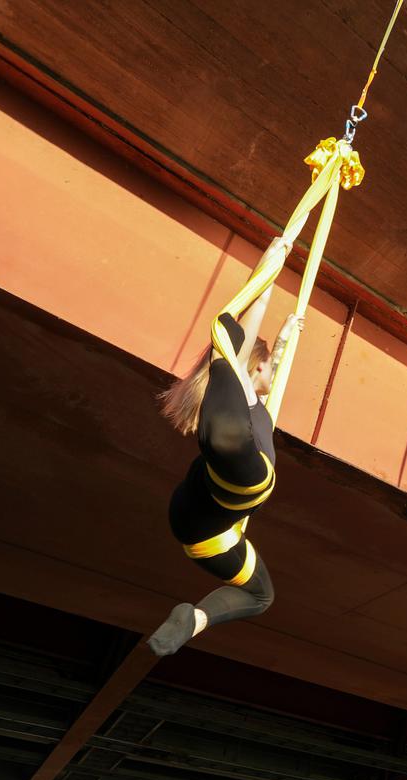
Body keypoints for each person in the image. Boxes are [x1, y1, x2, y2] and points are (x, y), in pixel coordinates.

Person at [148, 255, 286, 658]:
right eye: (271, 366)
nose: (274, 372)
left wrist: (275, 259)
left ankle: (193, 620)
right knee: (261, 596)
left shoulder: (238, 386)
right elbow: (256, 307)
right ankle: (195, 621)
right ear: (256, 367)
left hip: (209, 505)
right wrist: (277, 256)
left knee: (262, 595)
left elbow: (256, 307)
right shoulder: (239, 380)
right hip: (198, 516)